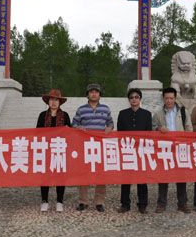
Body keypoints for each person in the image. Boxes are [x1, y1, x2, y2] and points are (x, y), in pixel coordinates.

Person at [72, 83, 113, 212]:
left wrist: (110, 128)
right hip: (86, 146)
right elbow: (74, 123)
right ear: (87, 94)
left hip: (101, 146)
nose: (94, 94)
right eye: (91, 92)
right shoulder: (81, 109)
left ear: (100, 94)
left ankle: (99, 202)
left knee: (101, 174)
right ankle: (83, 201)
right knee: (84, 174)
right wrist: (78, 127)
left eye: (96, 92)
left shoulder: (106, 109)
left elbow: (111, 122)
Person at [152, 87, 193, 214]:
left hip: (180, 147)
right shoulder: (158, 113)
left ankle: (182, 203)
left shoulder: (183, 111)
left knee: (181, 177)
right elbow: (152, 128)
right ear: (163, 99)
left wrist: (186, 142)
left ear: (175, 98)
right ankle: (161, 204)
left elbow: (189, 128)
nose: (169, 101)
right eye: (166, 98)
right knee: (163, 177)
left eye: (171, 98)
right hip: (164, 148)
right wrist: (159, 128)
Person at [117, 88, 153, 214]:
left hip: (142, 150)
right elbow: (119, 134)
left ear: (140, 99)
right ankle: (125, 204)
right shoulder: (122, 114)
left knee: (142, 179)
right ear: (129, 100)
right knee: (126, 179)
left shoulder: (147, 114)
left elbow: (149, 133)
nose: (134, 99)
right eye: (131, 97)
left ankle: (142, 204)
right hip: (127, 150)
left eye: (136, 97)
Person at [36, 89, 71, 212]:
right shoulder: (42, 116)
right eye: (51, 99)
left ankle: (59, 201)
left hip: (60, 149)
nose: (54, 102)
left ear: (60, 102)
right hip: (45, 149)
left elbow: (69, 133)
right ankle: (44, 200)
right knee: (44, 175)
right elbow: (37, 133)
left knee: (60, 175)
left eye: (56, 100)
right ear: (48, 102)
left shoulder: (65, 116)